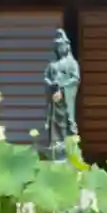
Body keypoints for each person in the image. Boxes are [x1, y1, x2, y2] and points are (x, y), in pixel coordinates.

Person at [42, 29, 80, 158]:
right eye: (57, 47)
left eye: (61, 46)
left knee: (66, 121)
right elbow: (46, 77)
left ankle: (67, 144)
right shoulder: (52, 65)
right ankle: (55, 143)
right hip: (54, 99)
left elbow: (75, 79)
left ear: (67, 46)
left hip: (65, 98)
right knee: (54, 121)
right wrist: (51, 84)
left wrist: (62, 87)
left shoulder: (72, 63)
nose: (59, 49)